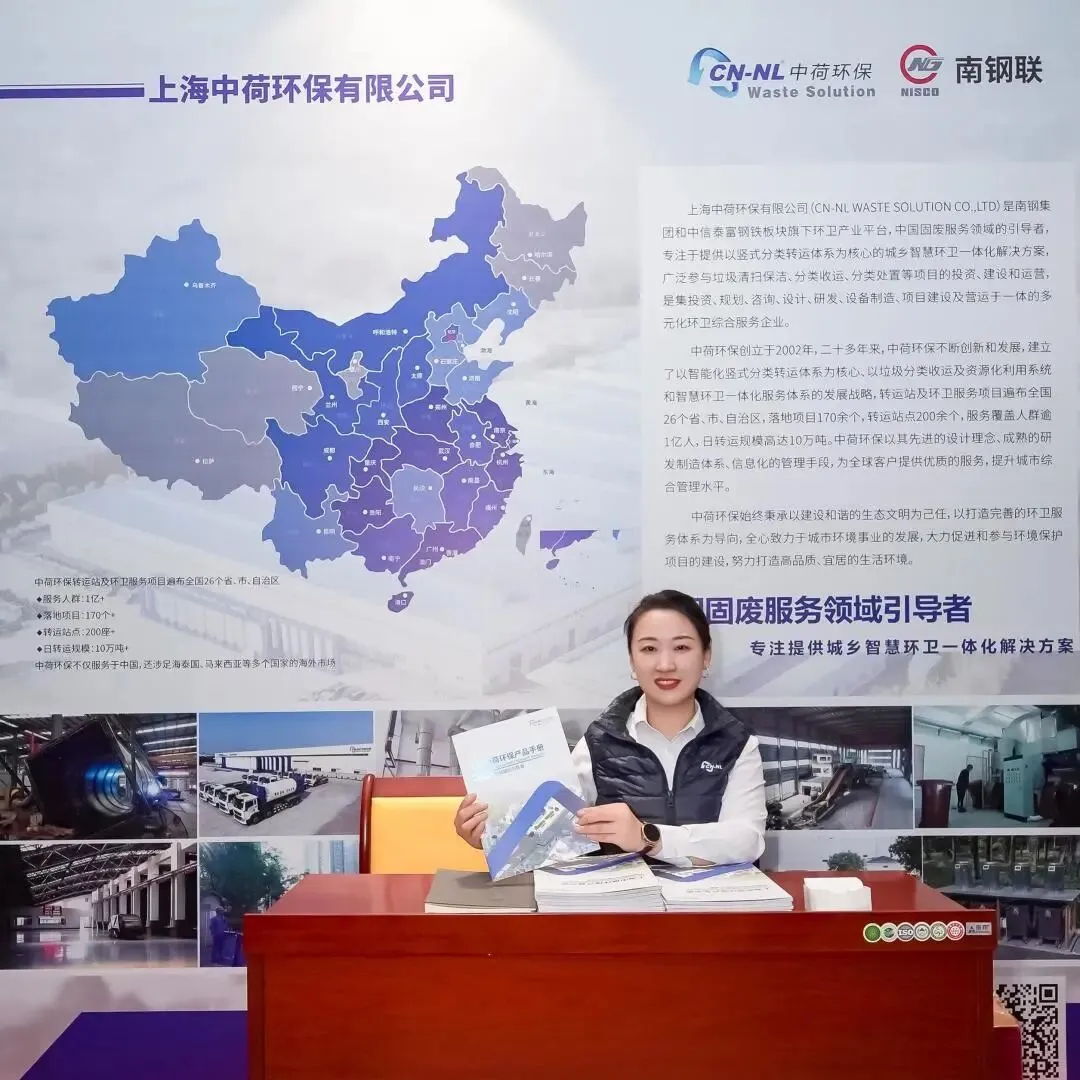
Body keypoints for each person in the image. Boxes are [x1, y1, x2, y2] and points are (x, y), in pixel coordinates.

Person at [453, 589, 767, 867]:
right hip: (624, 909)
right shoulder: (599, 742)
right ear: (632, 661)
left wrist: (647, 836)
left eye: (682, 648)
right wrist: (494, 836)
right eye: (649, 649)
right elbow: (547, 833)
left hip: (713, 909)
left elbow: (746, 840)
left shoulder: (737, 743)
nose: (665, 664)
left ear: (706, 656)